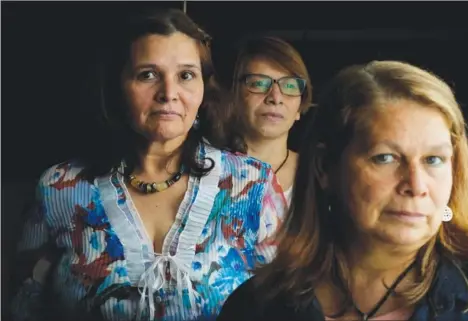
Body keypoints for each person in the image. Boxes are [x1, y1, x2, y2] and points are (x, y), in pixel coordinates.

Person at [11, 8, 286, 321]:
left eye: (186, 75)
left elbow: (287, 304)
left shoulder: (251, 184)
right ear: (118, 87)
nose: (169, 94)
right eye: (148, 75)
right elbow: (24, 306)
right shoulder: (60, 188)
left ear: (203, 90)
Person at [217, 60, 468, 321]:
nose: (416, 185)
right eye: (386, 158)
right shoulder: (258, 306)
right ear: (324, 168)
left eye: (433, 160)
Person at [230, 36, 313, 204]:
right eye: (259, 84)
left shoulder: (314, 175)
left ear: (299, 108)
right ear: (234, 96)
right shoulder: (208, 168)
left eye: (289, 86)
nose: (275, 97)